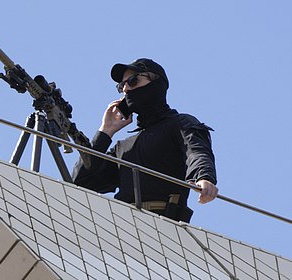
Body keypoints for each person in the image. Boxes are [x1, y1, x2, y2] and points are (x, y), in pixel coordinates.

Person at [71, 58, 217, 223]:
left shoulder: (180, 123)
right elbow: (80, 183)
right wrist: (105, 132)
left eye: (133, 81)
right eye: (121, 86)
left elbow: (197, 152)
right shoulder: (123, 147)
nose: (126, 89)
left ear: (156, 84)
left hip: (164, 228)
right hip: (120, 228)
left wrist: (204, 177)